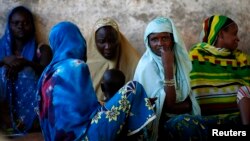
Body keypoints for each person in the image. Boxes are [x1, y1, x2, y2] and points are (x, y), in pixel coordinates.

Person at [36, 21, 156, 141]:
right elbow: (92, 112)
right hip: (84, 137)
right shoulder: (77, 66)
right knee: (133, 89)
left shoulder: (45, 74)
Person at [134, 17, 205, 141]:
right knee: (186, 125)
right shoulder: (146, 66)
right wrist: (167, 67)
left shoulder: (181, 61)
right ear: (148, 42)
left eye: (165, 38)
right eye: (154, 39)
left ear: (173, 40)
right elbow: (168, 106)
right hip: (159, 126)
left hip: (185, 117)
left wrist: (186, 105)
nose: (160, 43)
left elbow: (191, 97)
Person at [189, 15, 250, 127]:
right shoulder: (196, 56)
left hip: (238, 119)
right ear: (221, 34)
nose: (238, 38)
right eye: (234, 33)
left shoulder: (242, 59)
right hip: (206, 121)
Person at [0, 6, 52, 136]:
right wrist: (4, 60)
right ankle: (5, 121)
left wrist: (25, 62)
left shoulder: (42, 49)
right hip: (4, 108)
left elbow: (46, 73)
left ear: (32, 25)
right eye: (15, 23)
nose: (20, 27)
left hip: (30, 111)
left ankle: (28, 122)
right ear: (9, 25)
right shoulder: (2, 49)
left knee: (26, 72)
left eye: (25, 23)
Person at [87, 17, 140, 101]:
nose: (108, 47)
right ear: (94, 41)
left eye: (112, 41)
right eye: (102, 41)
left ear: (118, 39)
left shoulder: (135, 63)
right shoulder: (85, 63)